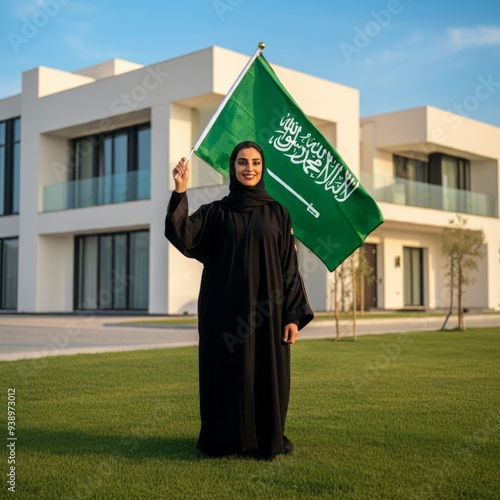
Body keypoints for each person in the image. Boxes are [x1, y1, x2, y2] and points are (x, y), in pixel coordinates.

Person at [164, 141, 314, 460]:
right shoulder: (218, 212)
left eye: (256, 163)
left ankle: (263, 440)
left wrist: (292, 314)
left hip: (268, 313)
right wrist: (180, 190)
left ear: (263, 168)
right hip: (224, 311)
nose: (249, 168)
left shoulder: (277, 212)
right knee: (224, 372)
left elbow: (289, 267)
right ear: (233, 168)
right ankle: (224, 440)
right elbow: (183, 234)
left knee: (266, 373)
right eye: (243, 162)